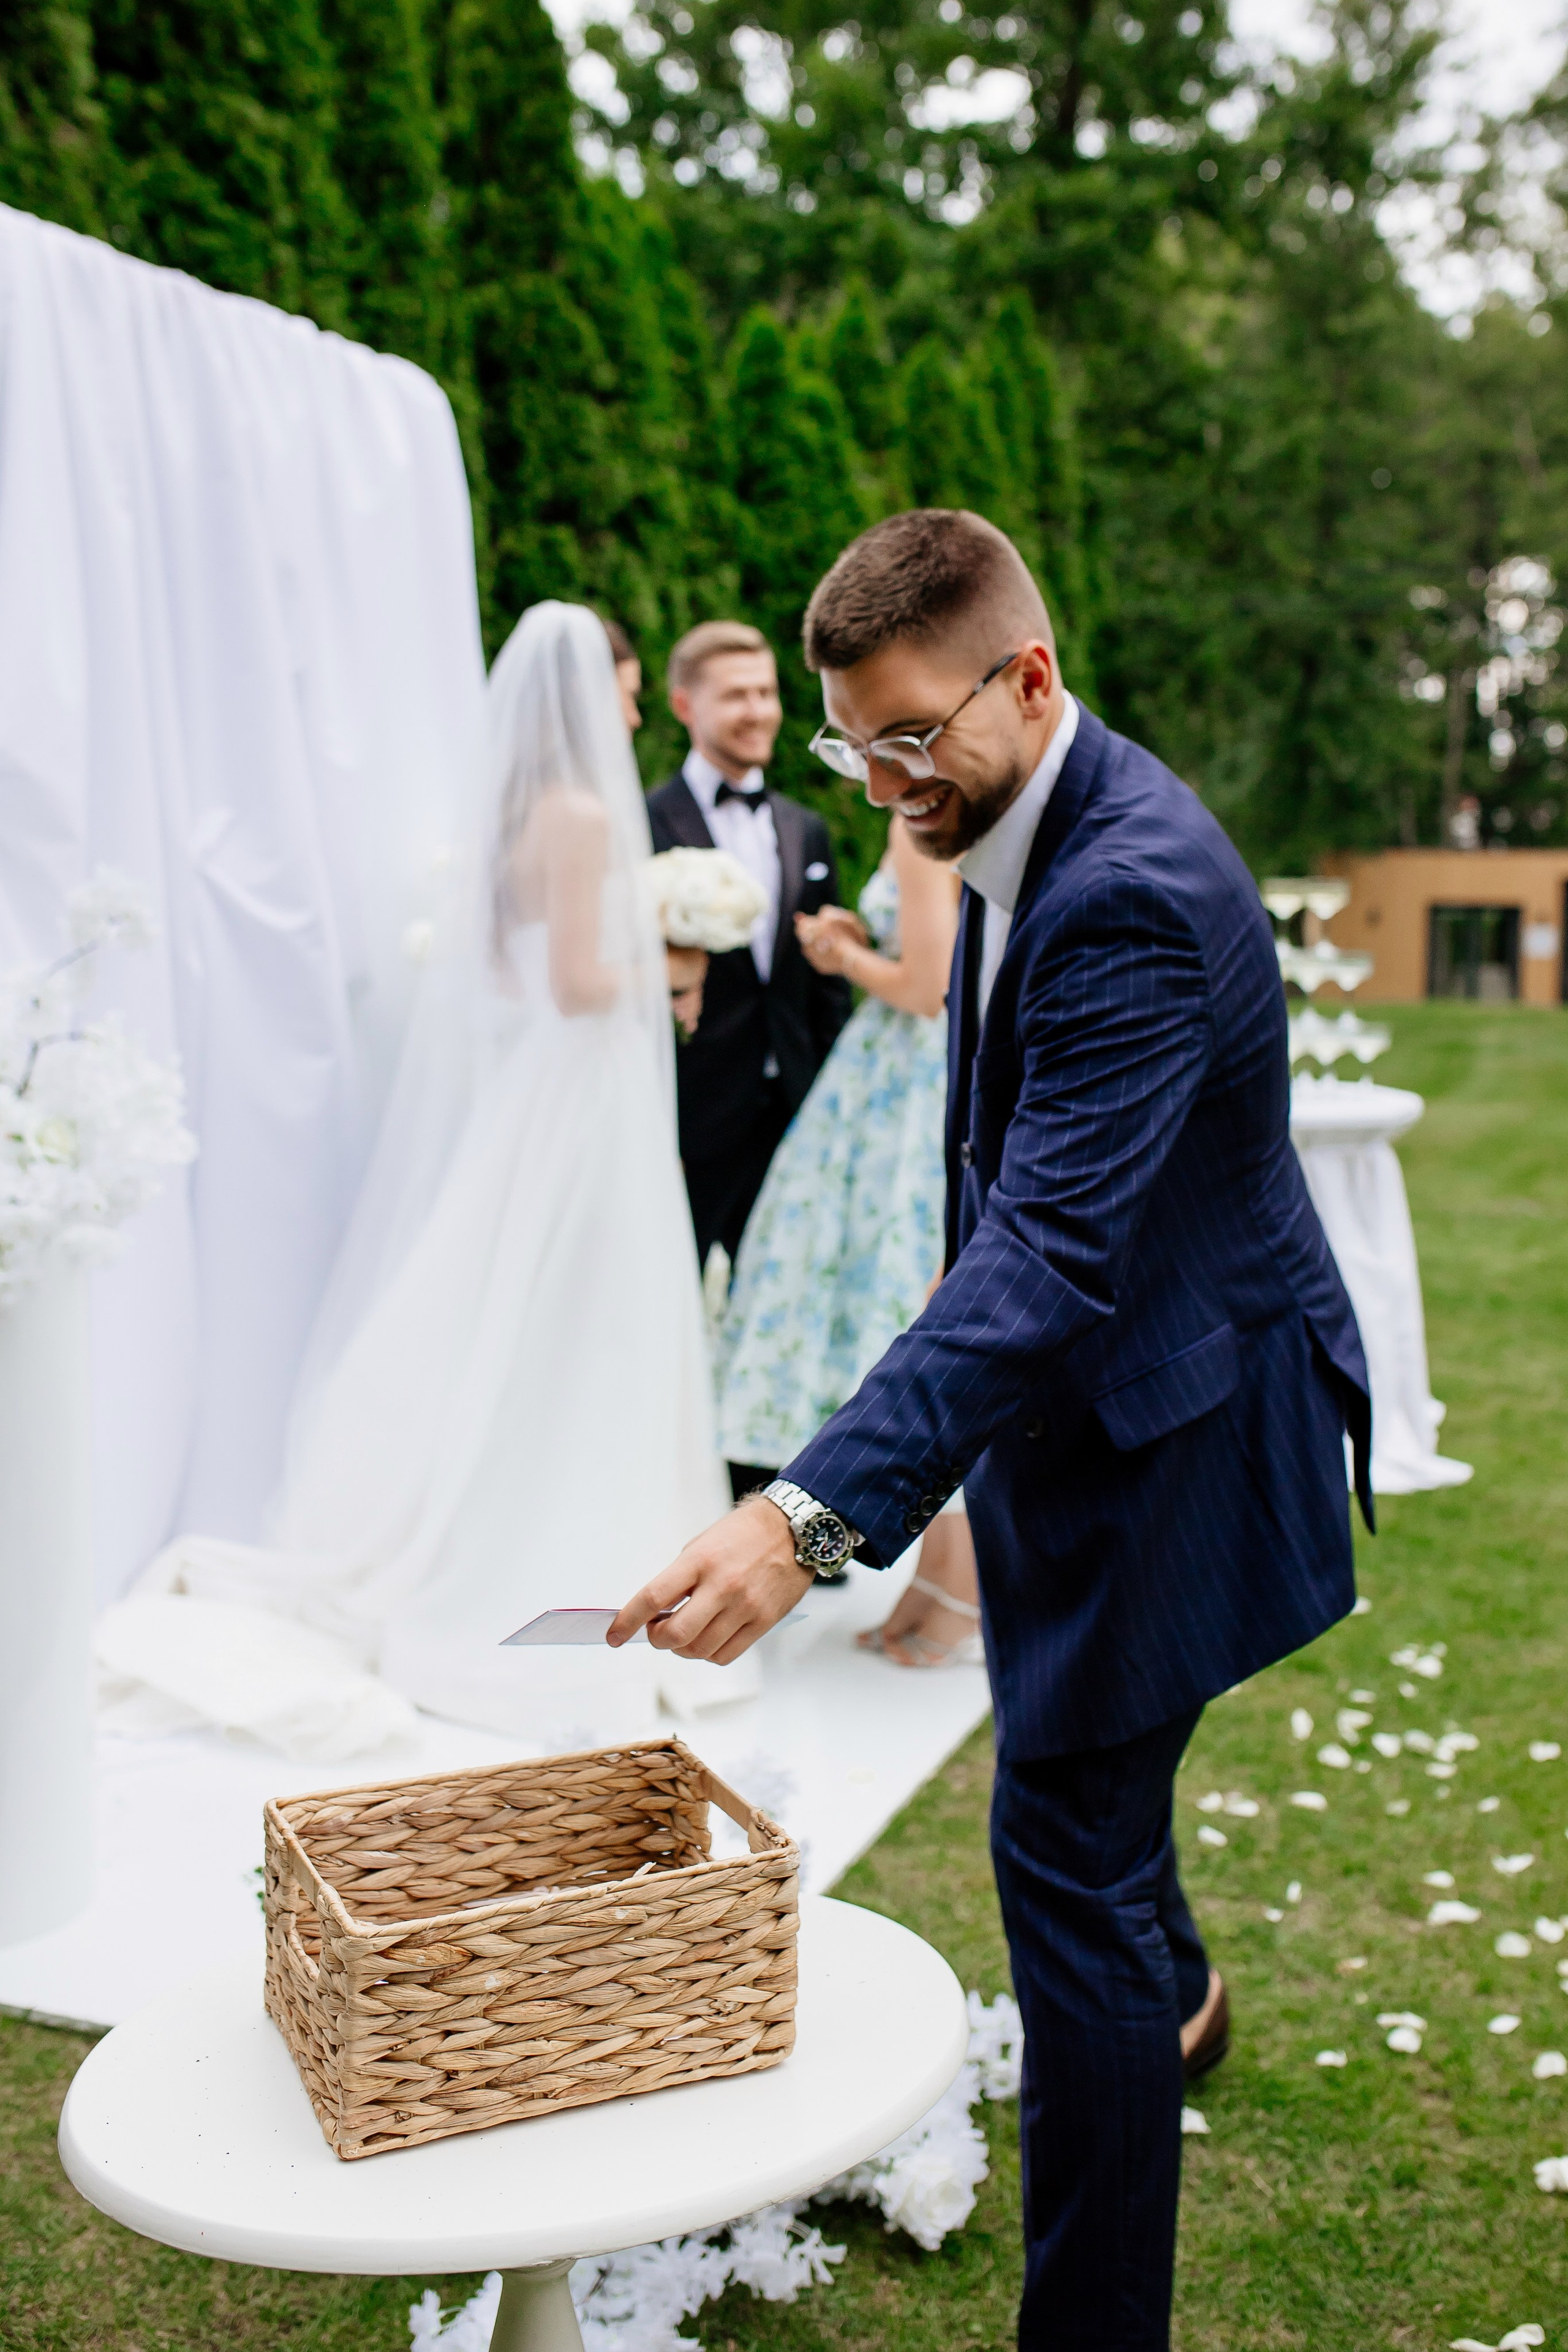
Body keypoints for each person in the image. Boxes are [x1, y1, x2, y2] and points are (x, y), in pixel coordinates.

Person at [611, 511, 1372, 2348]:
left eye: (907, 740)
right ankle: (1177, 1980)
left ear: (1024, 677)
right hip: (1113, 1386)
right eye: (847, 745)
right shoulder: (1030, 802)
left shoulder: (1129, 888)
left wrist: (802, 1515)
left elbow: (1040, 1257)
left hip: (1180, 1426)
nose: (881, 784)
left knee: (1060, 1847)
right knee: (1089, 1799)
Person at [120, 603, 744, 1749]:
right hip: (581, 1103)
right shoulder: (581, 810)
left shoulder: (518, 811)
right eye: (627, 678)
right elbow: (578, 984)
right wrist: (670, 951)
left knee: (520, 1320)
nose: (639, 700)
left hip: (542, 1099)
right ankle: (557, 1573)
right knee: (582, 1328)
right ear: (588, 684)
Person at [713, 810, 981, 1662]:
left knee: (904, 1310)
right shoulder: (951, 820)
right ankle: (933, 1584)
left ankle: (963, 1594)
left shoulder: (918, 827)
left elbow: (928, 987)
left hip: (905, 1081)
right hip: (909, 1073)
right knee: (902, 1316)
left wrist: (842, 958)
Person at [646, 622, 853, 1328]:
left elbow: (825, 985)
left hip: (793, 1111)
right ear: (684, 707)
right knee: (665, 1303)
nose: (759, 710)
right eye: (736, 695)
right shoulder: (645, 822)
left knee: (782, 1311)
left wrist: (831, 1087)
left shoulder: (806, 828)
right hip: (690, 1111)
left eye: (766, 692)